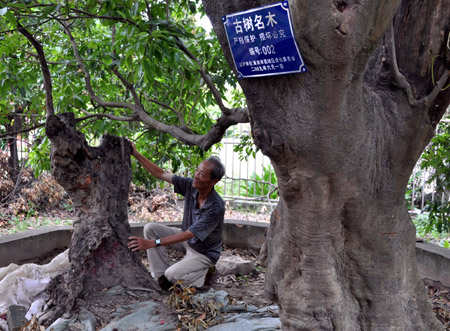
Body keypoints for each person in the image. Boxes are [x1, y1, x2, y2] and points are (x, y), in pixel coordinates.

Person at [127, 143, 225, 291]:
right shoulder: (191, 185)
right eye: (197, 170)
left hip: (203, 253)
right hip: (188, 242)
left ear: (214, 181)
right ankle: (161, 278)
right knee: (150, 228)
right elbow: (160, 174)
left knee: (173, 275)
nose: (196, 176)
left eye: (202, 174)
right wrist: (136, 154)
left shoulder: (216, 206)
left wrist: (152, 243)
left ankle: (204, 276)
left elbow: (188, 234)